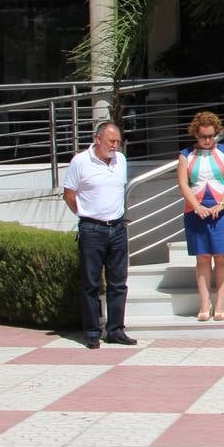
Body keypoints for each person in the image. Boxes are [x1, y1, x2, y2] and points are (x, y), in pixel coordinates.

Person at [63, 121, 134, 348]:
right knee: (91, 283)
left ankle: (115, 330)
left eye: (118, 142)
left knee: (118, 283)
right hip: (92, 229)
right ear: (98, 139)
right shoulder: (80, 162)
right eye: (112, 141)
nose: (115, 146)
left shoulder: (120, 160)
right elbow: (69, 194)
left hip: (118, 227)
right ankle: (92, 331)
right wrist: (86, 214)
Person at [178, 112, 224, 322]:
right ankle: (205, 303)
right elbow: (183, 183)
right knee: (202, 257)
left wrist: (222, 204)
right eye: (203, 136)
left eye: (211, 136)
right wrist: (196, 206)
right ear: (196, 134)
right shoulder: (186, 155)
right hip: (195, 211)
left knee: (222, 256)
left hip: (223, 210)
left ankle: (220, 303)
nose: (207, 140)